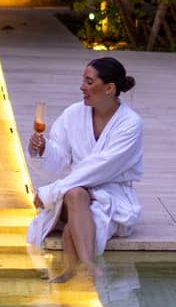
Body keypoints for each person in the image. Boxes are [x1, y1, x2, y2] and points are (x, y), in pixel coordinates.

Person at [26, 56, 143, 281]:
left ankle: (71, 270)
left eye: (89, 82)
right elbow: (60, 159)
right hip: (75, 190)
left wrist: (51, 192)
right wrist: (44, 149)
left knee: (74, 202)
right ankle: (88, 265)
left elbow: (101, 168)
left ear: (109, 88)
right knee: (76, 194)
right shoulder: (73, 114)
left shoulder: (130, 123)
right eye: (83, 80)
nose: (82, 87)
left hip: (111, 192)